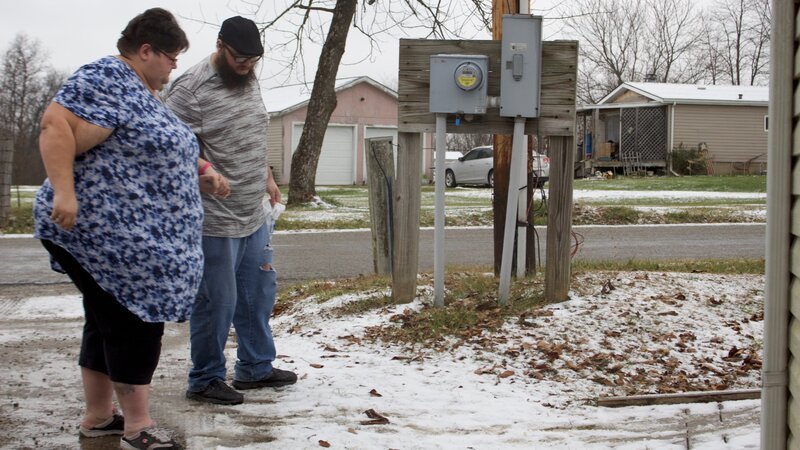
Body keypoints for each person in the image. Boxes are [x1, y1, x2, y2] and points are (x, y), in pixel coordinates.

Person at [34, 8, 228, 449]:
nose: (174, 67)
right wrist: (65, 192)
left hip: (125, 235)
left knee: (105, 319)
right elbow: (55, 124)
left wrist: (197, 171)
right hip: (107, 235)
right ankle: (137, 426)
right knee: (131, 319)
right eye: (172, 58)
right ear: (146, 51)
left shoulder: (138, 92)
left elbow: (138, 154)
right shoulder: (108, 77)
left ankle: (100, 416)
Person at [165, 16, 296, 406]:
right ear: (220, 45)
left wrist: (268, 175)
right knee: (216, 301)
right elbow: (168, 147)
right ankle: (204, 377)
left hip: (253, 212)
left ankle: (255, 368)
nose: (247, 65)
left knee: (257, 293)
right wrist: (201, 172)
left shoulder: (247, 76)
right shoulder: (190, 89)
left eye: (254, 60)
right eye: (240, 58)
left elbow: (253, 130)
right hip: (214, 219)